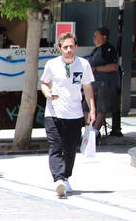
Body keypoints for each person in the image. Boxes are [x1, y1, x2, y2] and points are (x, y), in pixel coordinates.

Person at [40, 31, 96, 197]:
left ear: (76, 47)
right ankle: (58, 179)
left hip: (74, 113)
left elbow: (87, 88)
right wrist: (47, 93)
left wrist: (92, 109)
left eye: (71, 46)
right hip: (54, 112)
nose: (69, 50)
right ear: (59, 48)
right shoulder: (52, 64)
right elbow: (44, 83)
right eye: (65, 47)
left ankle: (65, 177)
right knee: (56, 147)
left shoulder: (84, 65)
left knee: (71, 149)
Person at [88, 27, 120, 136]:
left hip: (106, 83)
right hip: (94, 84)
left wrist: (96, 69)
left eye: (96, 35)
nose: (93, 37)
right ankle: (89, 128)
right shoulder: (95, 51)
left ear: (104, 36)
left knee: (102, 107)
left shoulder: (109, 49)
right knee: (87, 106)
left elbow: (114, 66)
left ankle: (95, 132)